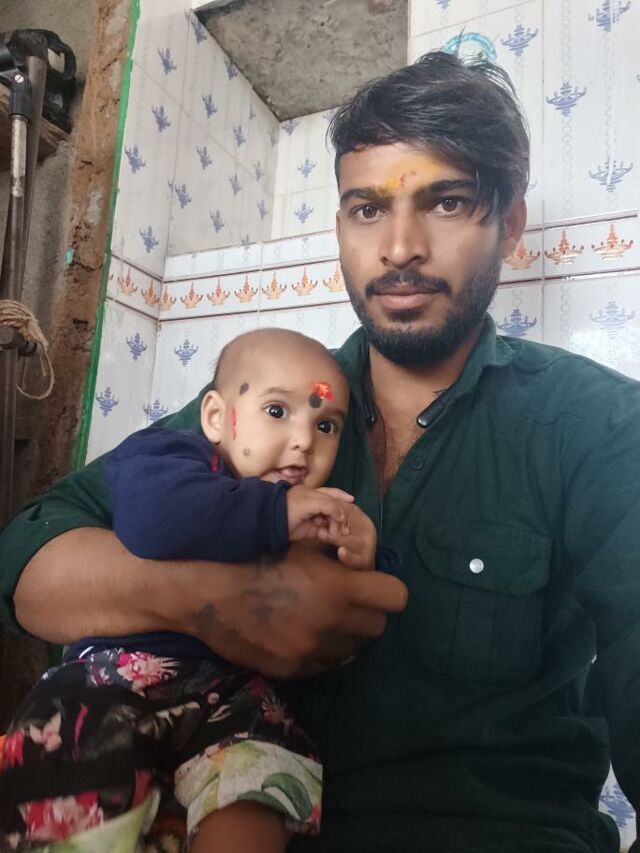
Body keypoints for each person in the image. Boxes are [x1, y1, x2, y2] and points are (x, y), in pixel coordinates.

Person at [1, 49, 639, 853]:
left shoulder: (599, 425)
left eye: (446, 202)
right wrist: (219, 599)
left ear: (509, 224)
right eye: (367, 209)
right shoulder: (268, 406)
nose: (399, 248)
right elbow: (29, 561)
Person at [0, 328, 383, 851]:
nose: (303, 440)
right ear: (215, 417)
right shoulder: (172, 457)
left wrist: (362, 549)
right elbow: (153, 524)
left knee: (268, 773)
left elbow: (342, 602)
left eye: (325, 425)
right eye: (277, 411)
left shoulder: (312, 503)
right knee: (66, 779)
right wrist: (275, 511)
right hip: (118, 677)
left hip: (238, 694)